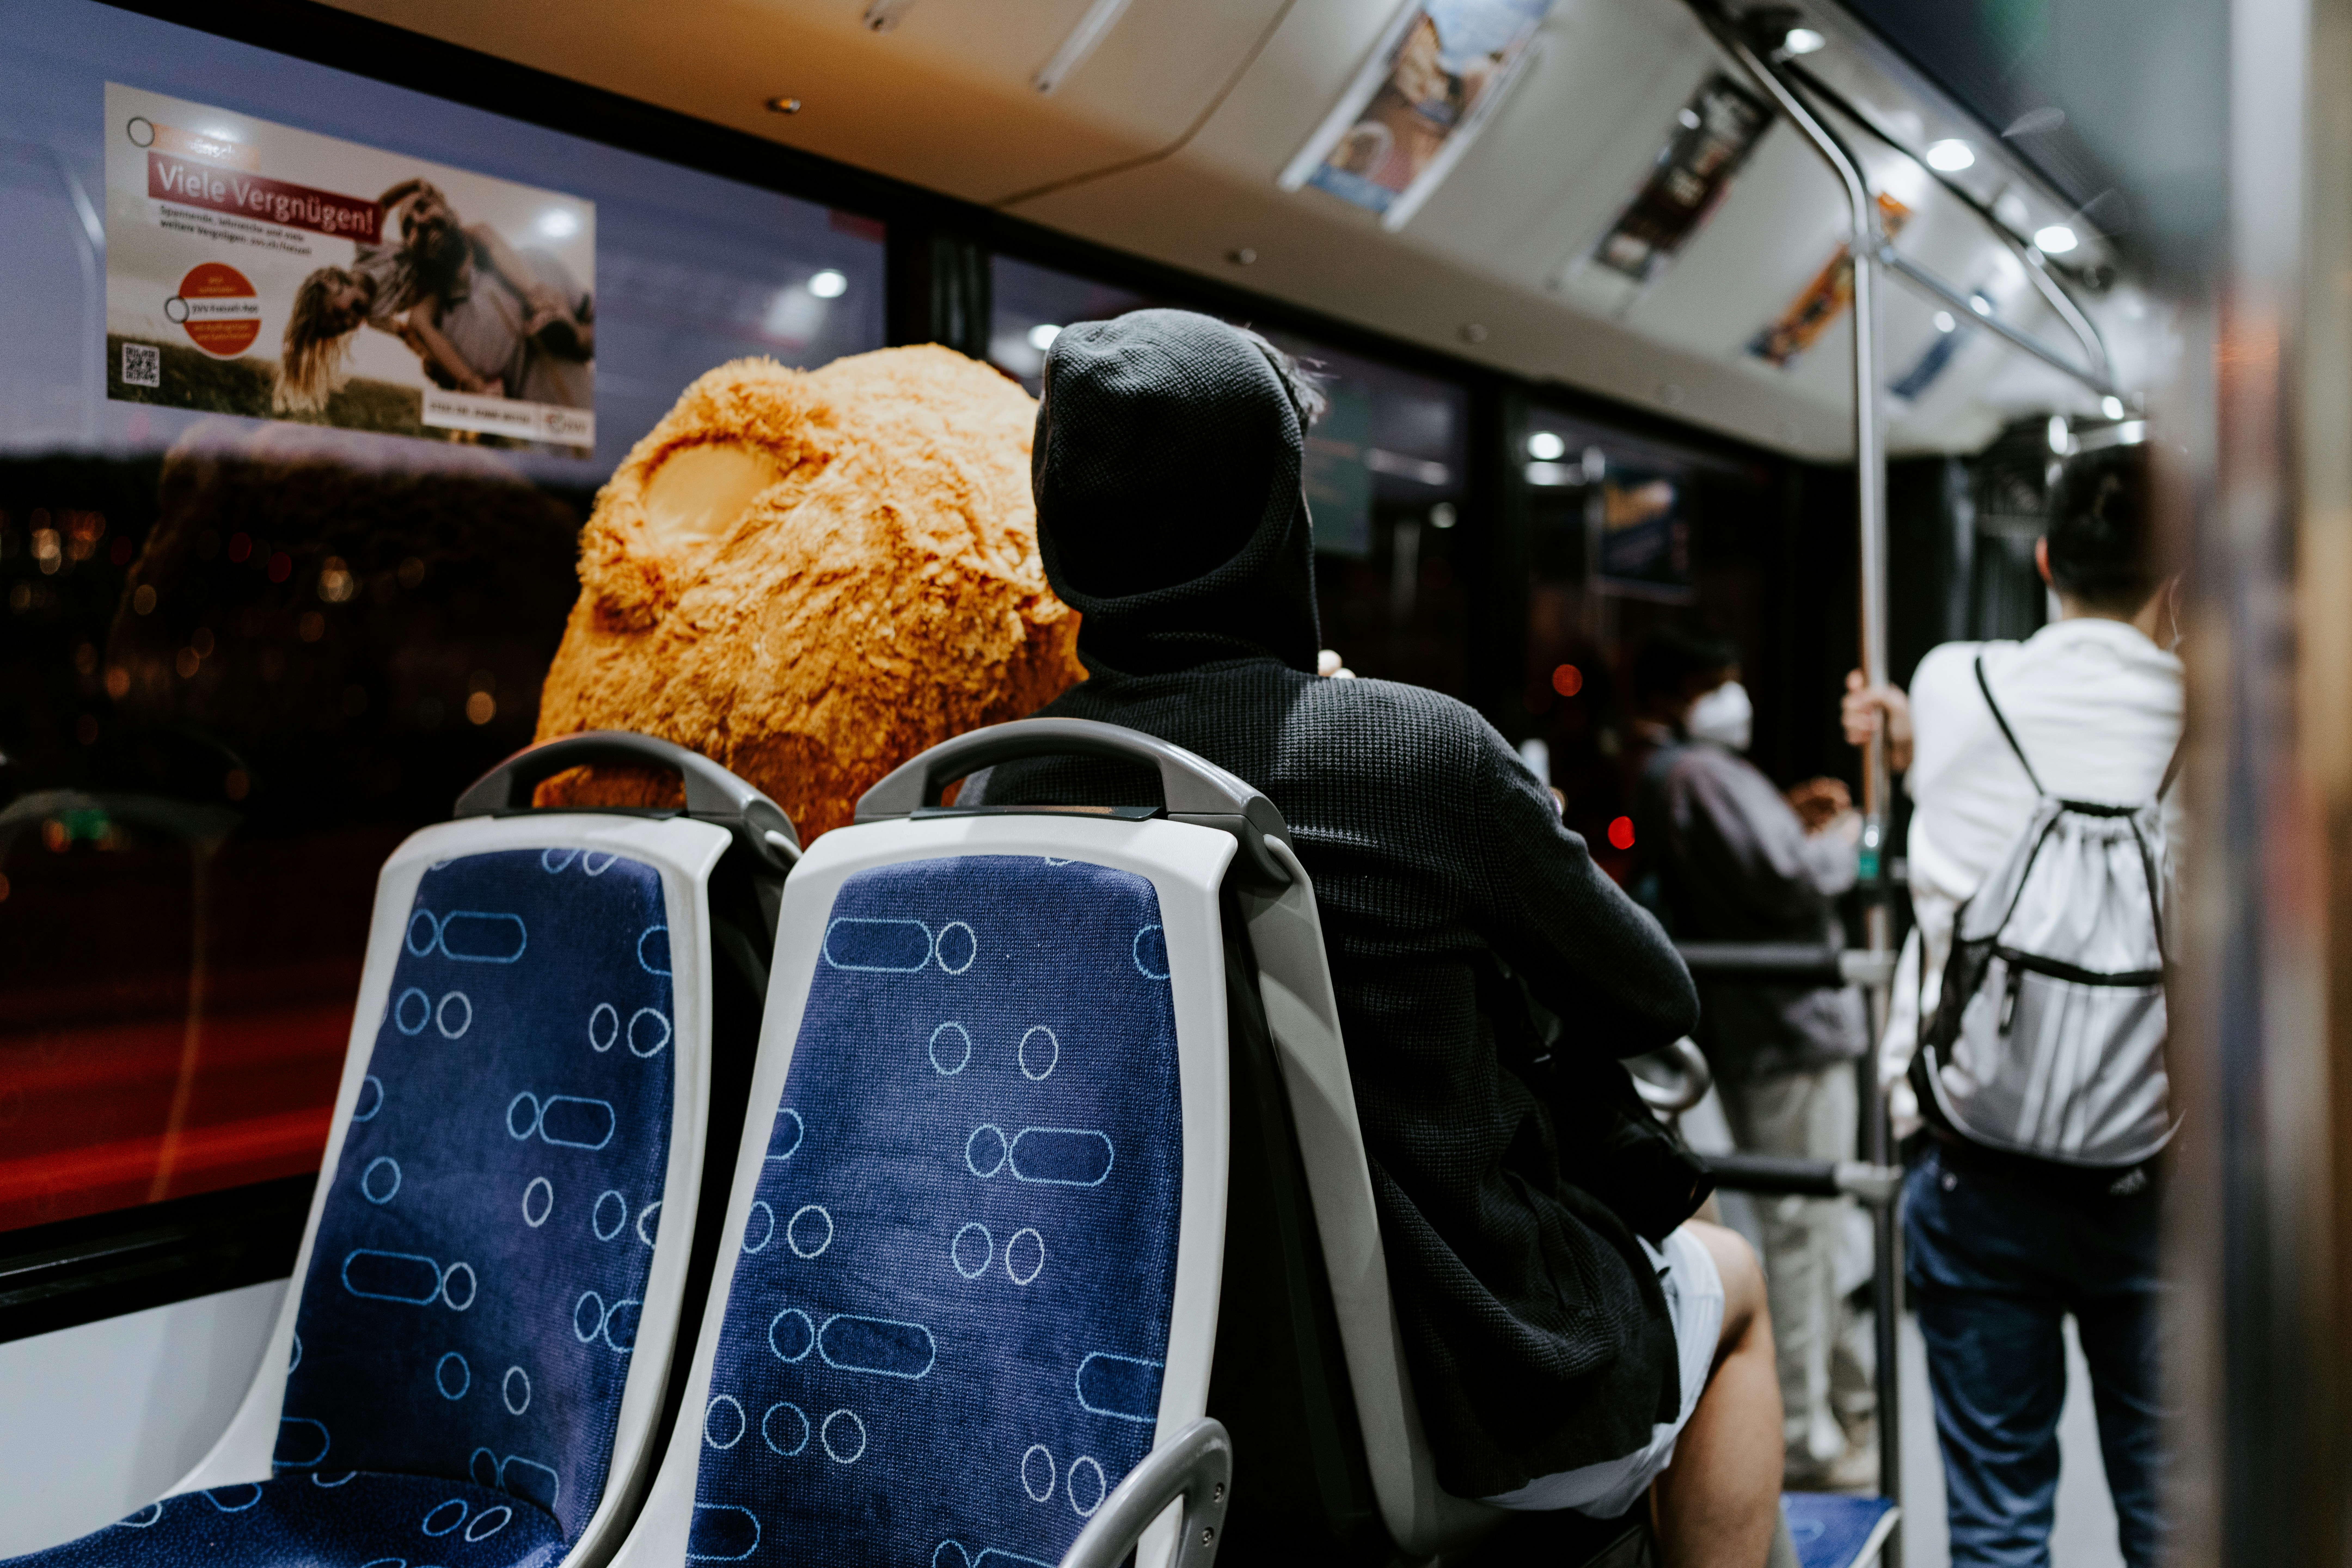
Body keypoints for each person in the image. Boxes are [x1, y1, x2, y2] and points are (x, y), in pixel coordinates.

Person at [972, 309, 1783, 1566]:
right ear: (1273, 520)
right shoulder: (1414, 756)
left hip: (1130, 1398)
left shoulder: (1010, 792)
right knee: (1730, 1275)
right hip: (1487, 1393)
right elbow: (1652, 991)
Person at [1842, 440, 2178, 1568]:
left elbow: (1941, 773)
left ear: (2042, 559)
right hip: (2158, 1177)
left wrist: (1895, 734)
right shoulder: (2227, 719)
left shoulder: (1953, 683)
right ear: (2177, 583)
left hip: (1974, 1161)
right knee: (2173, 1513)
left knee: (1996, 1521)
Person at [1628, 624, 1878, 1494]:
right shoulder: (1698, 771)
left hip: (1758, 1030)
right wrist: (1848, 835)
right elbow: (1793, 880)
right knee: (1805, 1237)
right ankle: (1810, 1432)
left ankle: (1843, 1398)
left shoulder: (1683, 774)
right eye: (1718, 680)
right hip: (1789, 1028)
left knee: (1806, 1229)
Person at [275, 180, 590, 413]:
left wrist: (412, 185)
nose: (349, 322)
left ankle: (543, 304)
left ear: (334, 282)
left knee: (481, 232)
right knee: (419, 321)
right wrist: (429, 358)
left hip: (437, 266)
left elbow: (379, 207)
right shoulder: (374, 317)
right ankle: (479, 387)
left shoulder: (366, 254)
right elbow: (408, 333)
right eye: (343, 328)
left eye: (338, 314)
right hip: (431, 286)